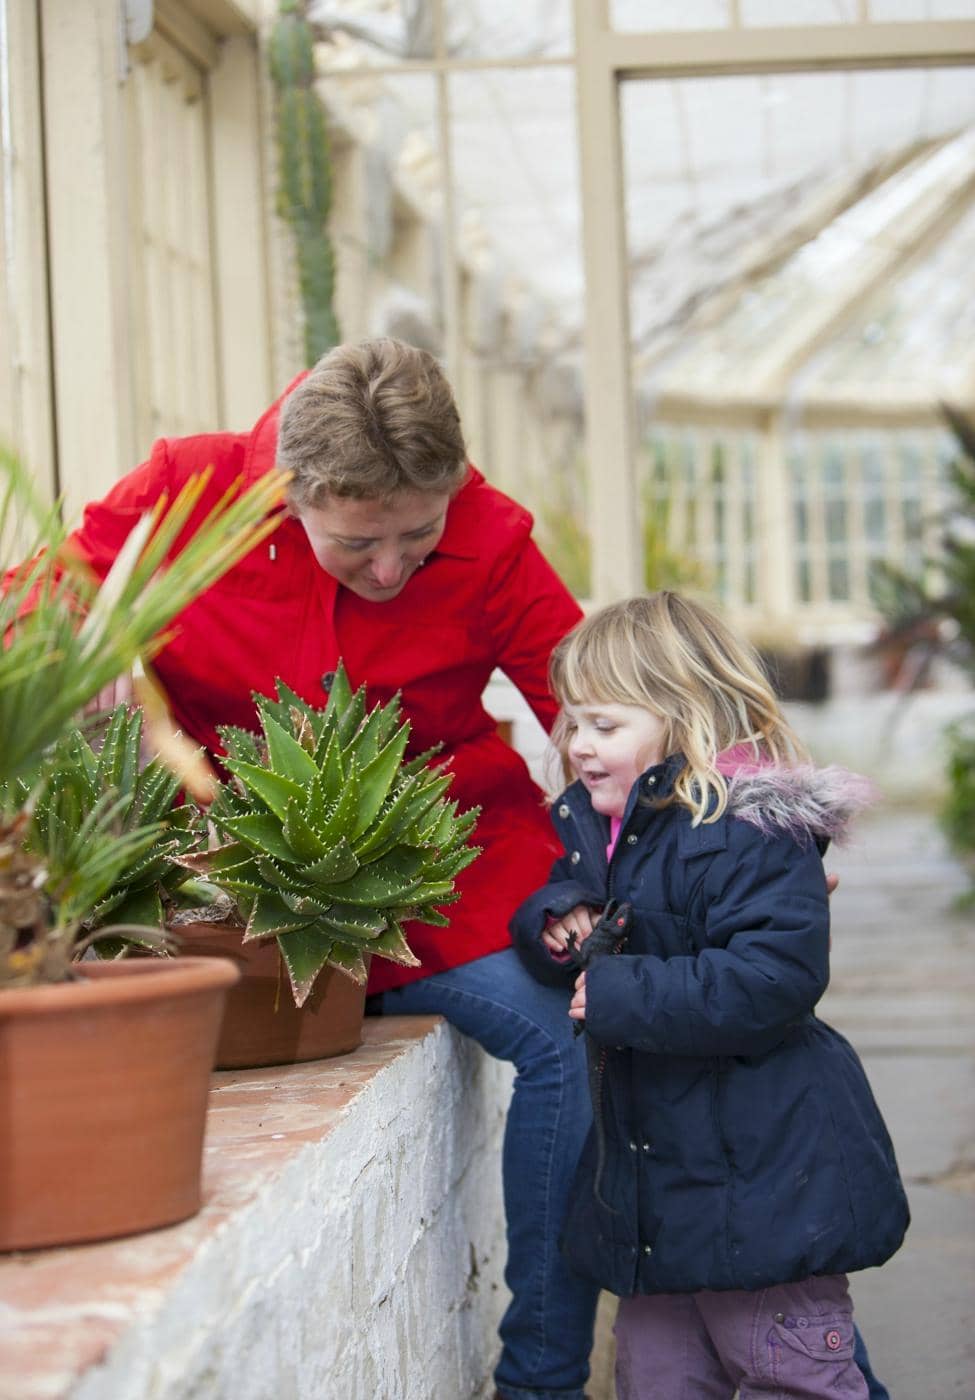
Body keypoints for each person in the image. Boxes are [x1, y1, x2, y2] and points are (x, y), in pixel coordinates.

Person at [510, 593, 910, 1400]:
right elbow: (562, 901)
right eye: (571, 725)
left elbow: (772, 977)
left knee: (784, 1368)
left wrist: (618, 989)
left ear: (683, 716)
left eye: (603, 725)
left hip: (761, 1176)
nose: (578, 746)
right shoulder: (612, 828)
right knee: (658, 1376)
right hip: (658, 1189)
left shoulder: (748, 831)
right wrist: (557, 923)